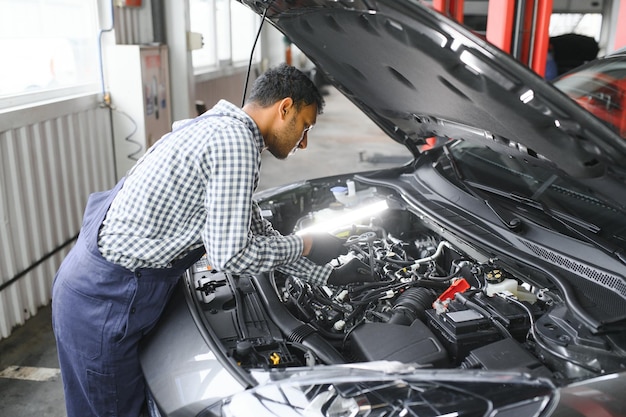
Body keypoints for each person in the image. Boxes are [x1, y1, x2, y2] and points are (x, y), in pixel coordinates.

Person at [51, 64, 373, 417]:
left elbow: (257, 232)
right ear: (284, 108)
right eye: (305, 127)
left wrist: (326, 276)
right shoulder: (235, 144)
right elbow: (232, 256)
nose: (304, 142)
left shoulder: (220, 128)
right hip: (105, 301)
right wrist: (309, 243)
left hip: (108, 286)